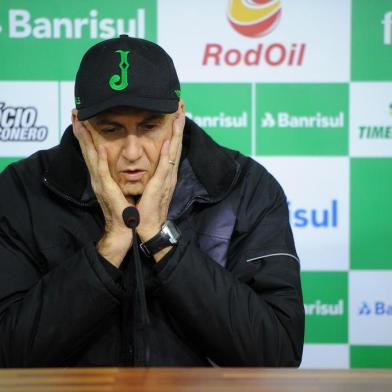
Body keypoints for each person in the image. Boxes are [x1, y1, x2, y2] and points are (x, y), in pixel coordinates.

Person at [0, 35, 304, 367]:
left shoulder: (245, 187)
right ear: (79, 126)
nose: (132, 153)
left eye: (148, 127)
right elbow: (8, 354)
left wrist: (161, 239)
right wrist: (113, 243)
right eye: (111, 130)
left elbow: (277, 355)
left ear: (178, 118)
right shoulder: (22, 190)